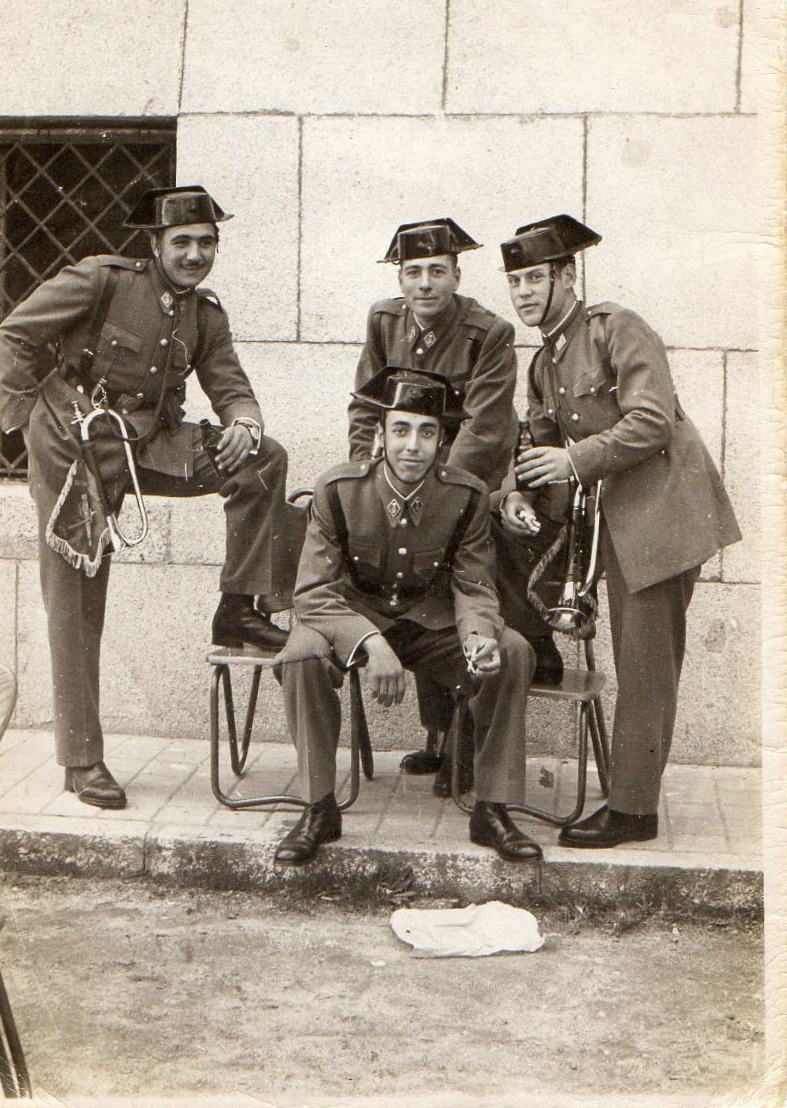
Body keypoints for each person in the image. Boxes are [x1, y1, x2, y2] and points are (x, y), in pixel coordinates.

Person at [0, 185, 303, 810]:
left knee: (263, 460)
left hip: (148, 442)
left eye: (206, 242)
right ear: (155, 244)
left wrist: (244, 423)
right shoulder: (101, 280)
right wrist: (25, 422)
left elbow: (230, 386)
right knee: (76, 598)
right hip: (73, 443)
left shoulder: (205, 314)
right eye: (181, 242)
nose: (195, 255)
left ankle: (238, 608)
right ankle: (81, 760)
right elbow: (15, 332)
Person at [495, 214, 741, 848]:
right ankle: (631, 795)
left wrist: (573, 461)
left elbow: (652, 421)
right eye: (514, 281)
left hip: (662, 519)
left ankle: (634, 811)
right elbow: (540, 450)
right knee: (637, 662)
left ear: (567, 276)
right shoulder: (544, 364)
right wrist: (518, 493)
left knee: (645, 668)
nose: (523, 292)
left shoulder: (615, 328)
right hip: (619, 527)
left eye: (535, 278)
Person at [273, 367, 540, 867]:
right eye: (400, 430)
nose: (412, 446)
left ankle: (492, 809)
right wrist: (371, 642)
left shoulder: (466, 496)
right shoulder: (338, 489)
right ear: (380, 435)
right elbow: (312, 594)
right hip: (352, 618)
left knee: (511, 651)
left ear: (442, 442)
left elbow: (473, 585)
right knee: (302, 654)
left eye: (426, 432)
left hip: (429, 623)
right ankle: (318, 807)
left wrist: (479, 636)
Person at [348, 219, 557, 792]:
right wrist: (368, 477)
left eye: (437, 271)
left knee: (464, 595)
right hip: (404, 483)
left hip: (470, 486)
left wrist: (437, 497)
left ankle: (469, 738)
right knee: (416, 592)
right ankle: (438, 736)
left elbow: (485, 429)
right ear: (400, 278)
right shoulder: (383, 320)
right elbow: (366, 406)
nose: (425, 283)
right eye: (413, 272)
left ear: (457, 276)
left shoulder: (487, 332)